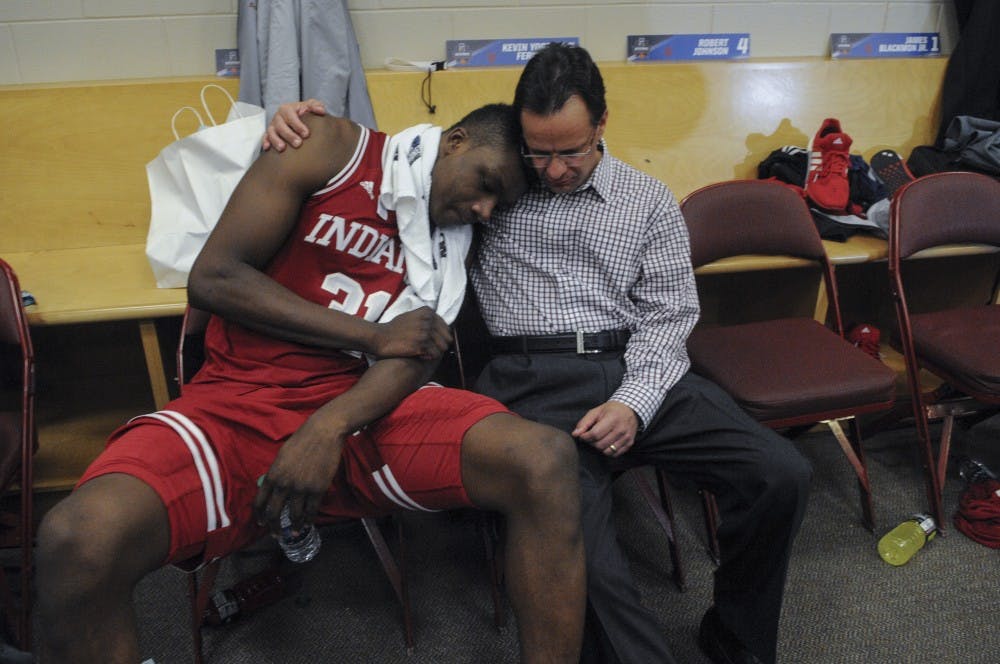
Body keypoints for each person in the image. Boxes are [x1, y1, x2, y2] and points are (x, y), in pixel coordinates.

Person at [267, 44, 813, 664]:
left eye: (569, 152)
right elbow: (405, 163)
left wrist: (633, 402)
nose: (551, 170)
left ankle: (736, 639)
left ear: (602, 127)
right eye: (539, 151)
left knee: (780, 474)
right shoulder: (495, 190)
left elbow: (671, 316)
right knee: (584, 557)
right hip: (531, 382)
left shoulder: (648, 200)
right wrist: (295, 124)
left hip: (637, 371)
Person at [35, 103, 586, 664]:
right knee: (78, 539)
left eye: (500, 205)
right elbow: (215, 276)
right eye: (485, 184)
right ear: (455, 141)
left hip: (369, 414)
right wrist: (370, 335)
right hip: (240, 404)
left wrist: (328, 426)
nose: (483, 210)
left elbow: (415, 355)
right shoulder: (329, 147)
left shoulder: (456, 235)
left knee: (542, 459)